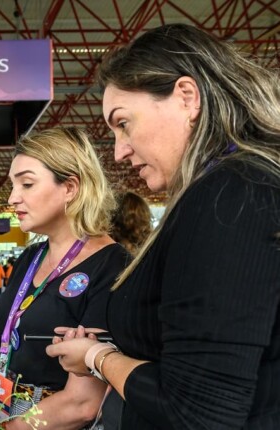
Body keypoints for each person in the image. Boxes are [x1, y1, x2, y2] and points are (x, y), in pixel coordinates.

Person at [47, 23, 280, 430]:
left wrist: (96, 358)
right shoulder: (232, 187)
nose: (119, 151)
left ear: (187, 98)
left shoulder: (231, 194)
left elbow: (196, 412)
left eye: (123, 123)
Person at [0, 126, 129, 429]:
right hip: (2, 410)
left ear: (70, 187)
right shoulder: (31, 256)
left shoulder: (111, 266)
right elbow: (5, 326)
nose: (13, 198)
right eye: (12, 186)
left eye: (27, 184)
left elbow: (82, 404)